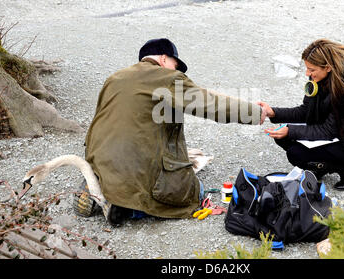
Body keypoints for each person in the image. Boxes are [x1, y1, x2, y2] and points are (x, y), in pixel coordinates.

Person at [81, 38, 266, 225]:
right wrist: (253, 112)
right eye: (175, 64)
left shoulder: (115, 79)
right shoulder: (166, 78)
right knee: (196, 190)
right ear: (163, 59)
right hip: (138, 172)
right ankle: (128, 207)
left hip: (101, 160)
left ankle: (101, 186)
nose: (176, 70)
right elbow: (210, 104)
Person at [258, 39, 344, 191]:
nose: (308, 73)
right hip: (331, 128)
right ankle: (320, 165)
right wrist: (273, 112)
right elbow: (306, 111)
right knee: (283, 136)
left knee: (296, 153)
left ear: (327, 67)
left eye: (311, 70)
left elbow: (328, 131)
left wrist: (290, 130)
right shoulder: (318, 76)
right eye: (307, 69)